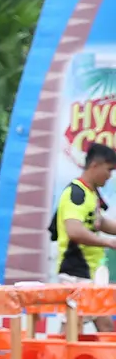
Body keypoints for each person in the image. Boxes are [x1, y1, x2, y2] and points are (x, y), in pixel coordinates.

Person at [48, 142, 116, 331]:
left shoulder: (90, 193)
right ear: (95, 165)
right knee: (73, 329)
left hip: (89, 273)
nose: (110, 176)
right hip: (75, 272)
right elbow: (74, 230)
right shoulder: (75, 193)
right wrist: (108, 242)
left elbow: (99, 222)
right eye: (109, 170)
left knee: (105, 327)